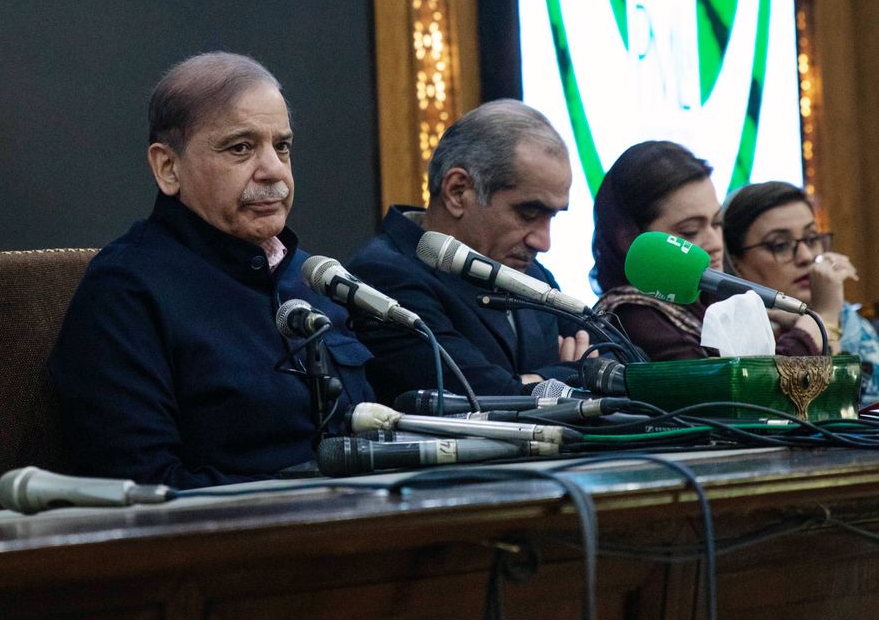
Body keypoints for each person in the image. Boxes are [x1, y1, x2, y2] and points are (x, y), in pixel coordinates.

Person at [48, 52, 373, 488]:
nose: (274, 170)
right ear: (168, 167)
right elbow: (144, 489)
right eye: (241, 148)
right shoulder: (125, 292)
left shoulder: (313, 278)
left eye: (282, 145)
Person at [347, 100, 589, 400]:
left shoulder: (532, 273)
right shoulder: (384, 276)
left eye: (552, 216)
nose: (544, 242)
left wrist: (542, 381)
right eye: (528, 213)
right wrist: (572, 374)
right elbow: (486, 399)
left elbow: (621, 358)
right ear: (458, 192)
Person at [592, 141, 819, 360]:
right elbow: (732, 393)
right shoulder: (630, 314)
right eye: (690, 232)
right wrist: (811, 332)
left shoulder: (711, 303)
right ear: (629, 239)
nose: (715, 243)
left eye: (717, 223)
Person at [723, 181, 877, 401]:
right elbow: (829, 410)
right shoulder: (728, 334)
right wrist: (824, 319)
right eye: (780, 245)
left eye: (812, 238)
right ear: (734, 262)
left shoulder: (842, 315)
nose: (806, 256)